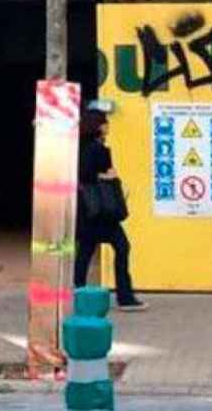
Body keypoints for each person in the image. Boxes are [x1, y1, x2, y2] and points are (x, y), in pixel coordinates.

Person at [74, 109, 148, 312]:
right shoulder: (98, 150)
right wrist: (111, 177)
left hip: (89, 210)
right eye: (105, 122)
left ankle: (78, 291)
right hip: (103, 212)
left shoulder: (79, 148)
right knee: (122, 248)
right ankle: (125, 297)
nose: (108, 125)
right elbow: (93, 176)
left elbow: (81, 176)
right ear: (99, 126)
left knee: (86, 251)